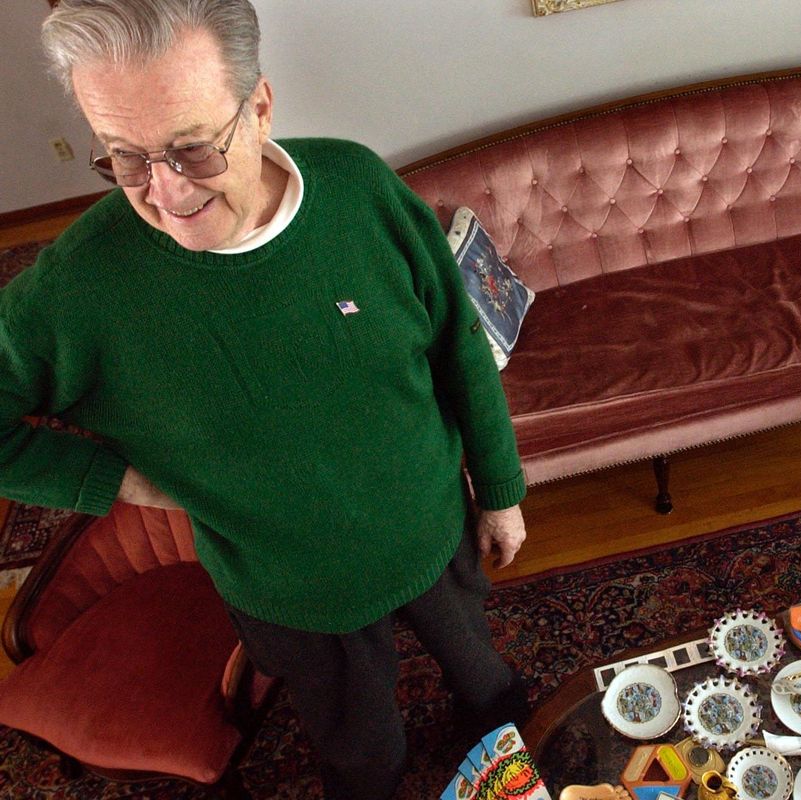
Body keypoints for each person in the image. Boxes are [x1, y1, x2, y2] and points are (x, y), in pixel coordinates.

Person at [4, 1, 530, 797]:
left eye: (190, 150)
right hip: (290, 588)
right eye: (124, 158)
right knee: (360, 751)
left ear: (258, 108)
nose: (164, 192)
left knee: (485, 682)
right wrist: (109, 482)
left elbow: (459, 345)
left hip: (431, 527)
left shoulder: (359, 188)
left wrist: (499, 492)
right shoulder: (77, 287)